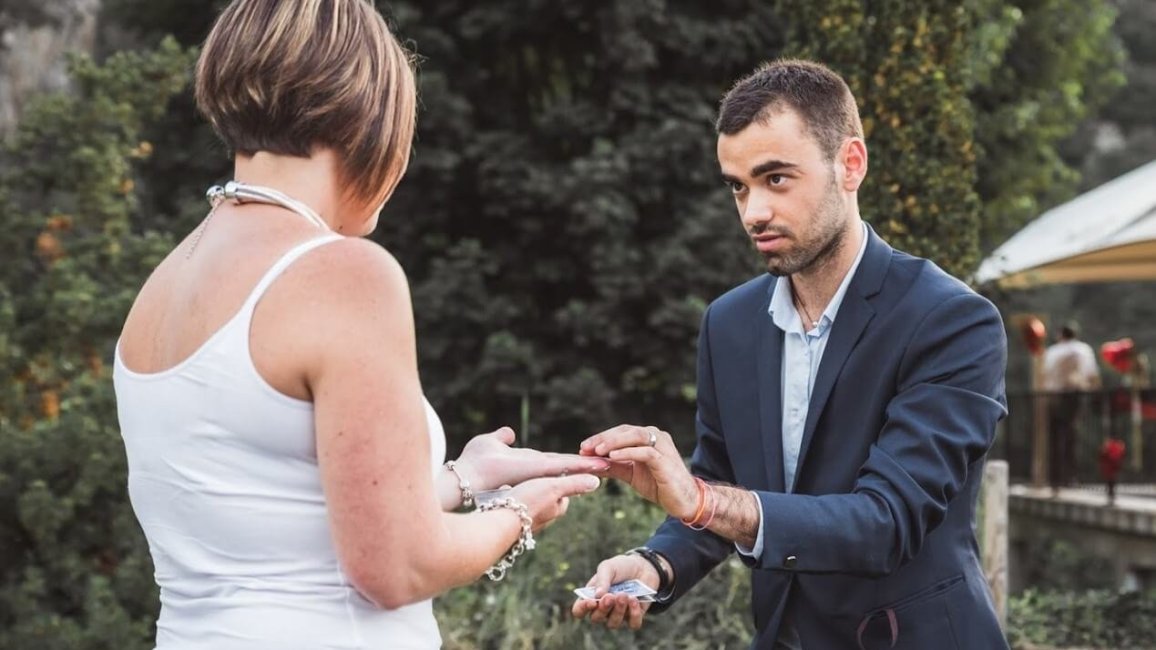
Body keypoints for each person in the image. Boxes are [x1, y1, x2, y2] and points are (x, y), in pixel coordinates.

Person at [112, 1, 607, 648]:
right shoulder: (344, 274)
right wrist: (519, 513)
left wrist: (464, 479)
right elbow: (396, 568)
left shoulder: (166, 284)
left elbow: (281, 524)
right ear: (370, 122)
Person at [572, 59, 1009, 649]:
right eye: (738, 186)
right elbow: (723, 476)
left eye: (776, 178)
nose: (753, 212)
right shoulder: (728, 322)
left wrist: (701, 501)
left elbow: (885, 523)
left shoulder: (952, 321)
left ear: (850, 164)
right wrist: (657, 565)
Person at [1042, 322, 1101, 493]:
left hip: (1053, 397)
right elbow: (1092, 375)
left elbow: (1045, 375)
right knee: (1071, 435)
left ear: (1060, 334)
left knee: (1054, 437)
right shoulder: (1084, 350)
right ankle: (1071, 476)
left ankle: (1054, 478)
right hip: (1075, 396)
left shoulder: (1052, 351)